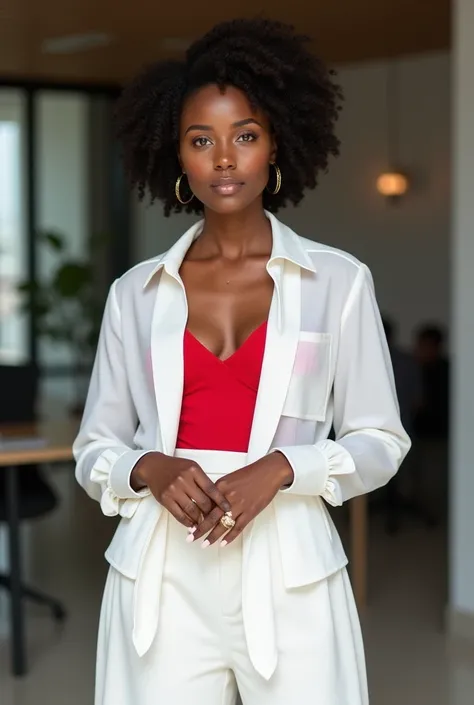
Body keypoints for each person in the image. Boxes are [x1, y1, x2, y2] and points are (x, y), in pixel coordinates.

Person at [73, 18, 410, 705]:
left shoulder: (338, 282)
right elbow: (92, 447)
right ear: (179, 158)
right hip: (160, 578)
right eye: (202, 141)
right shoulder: (134, 294)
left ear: (276, 143)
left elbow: (381, 441)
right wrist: (148, 466)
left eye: (244, 136)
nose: (224, 159)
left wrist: (286, 466)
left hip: (292, 572)